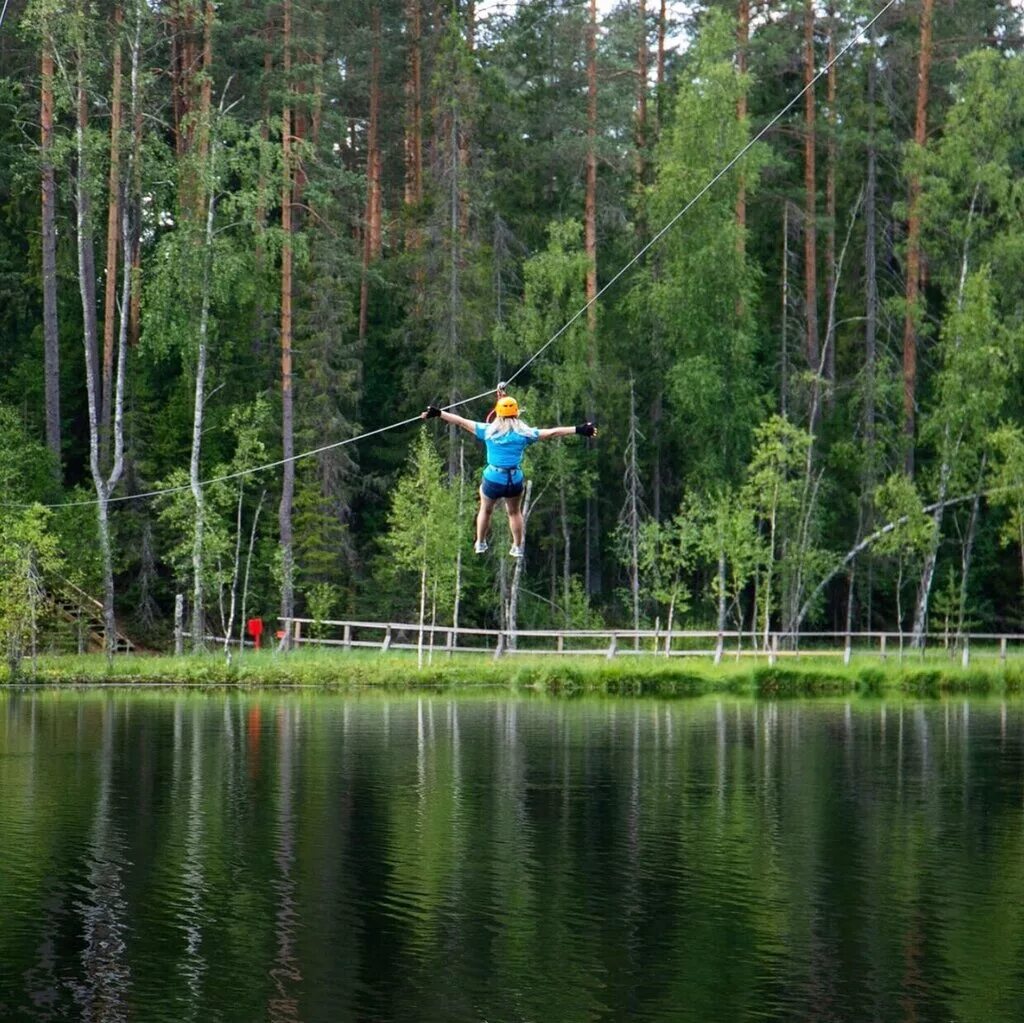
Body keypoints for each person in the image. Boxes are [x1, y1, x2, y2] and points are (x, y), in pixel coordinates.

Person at [421, 397, 597, 558]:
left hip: (493, 479)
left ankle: (480, 543)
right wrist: (580, 429)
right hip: (514, 480)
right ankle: (517, 547)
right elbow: (552, 433)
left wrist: (438, 413)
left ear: (497, 413)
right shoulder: (524, 434)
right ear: (516, 413)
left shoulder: (487, 431)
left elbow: (460, 421)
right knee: (514, 513)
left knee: (485, 510)